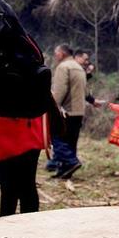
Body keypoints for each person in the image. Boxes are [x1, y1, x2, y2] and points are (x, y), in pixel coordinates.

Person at [49, 44, 86, 179]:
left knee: (56, 138)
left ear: (62, 53)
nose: (55, 55)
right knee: (70, 141)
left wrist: (53, 108)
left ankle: (71, 162)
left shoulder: (63, 67)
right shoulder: (79, 67)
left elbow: (60, 91)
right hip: (78, 110)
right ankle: (65, 171)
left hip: (66, 111)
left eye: (56, 53)